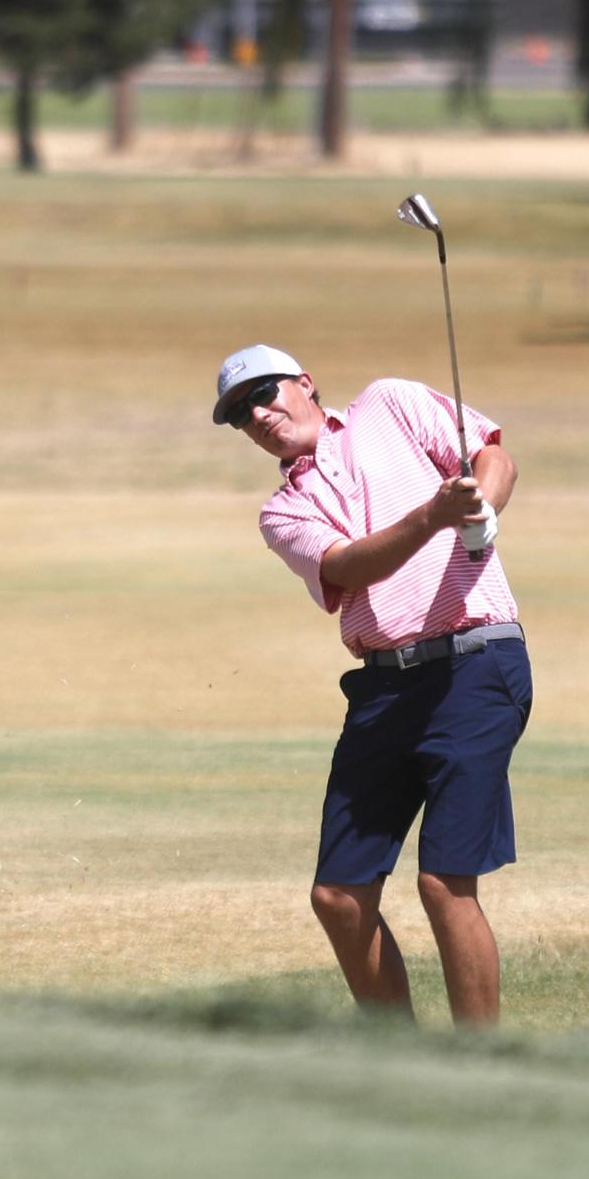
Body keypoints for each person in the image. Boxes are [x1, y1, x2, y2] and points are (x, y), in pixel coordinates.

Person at [212, 343, 532, 1027]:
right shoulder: (282, 513)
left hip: (476, 665)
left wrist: (485, 510)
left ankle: (483, 1074)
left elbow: (493, 457)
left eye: (265, 394)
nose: (259, 414)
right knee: (339, 895)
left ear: (305, 382)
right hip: (385, 688)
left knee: (444, 884)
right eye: (242, 414)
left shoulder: (390, 403)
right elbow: (352, 566)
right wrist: (434, 517)